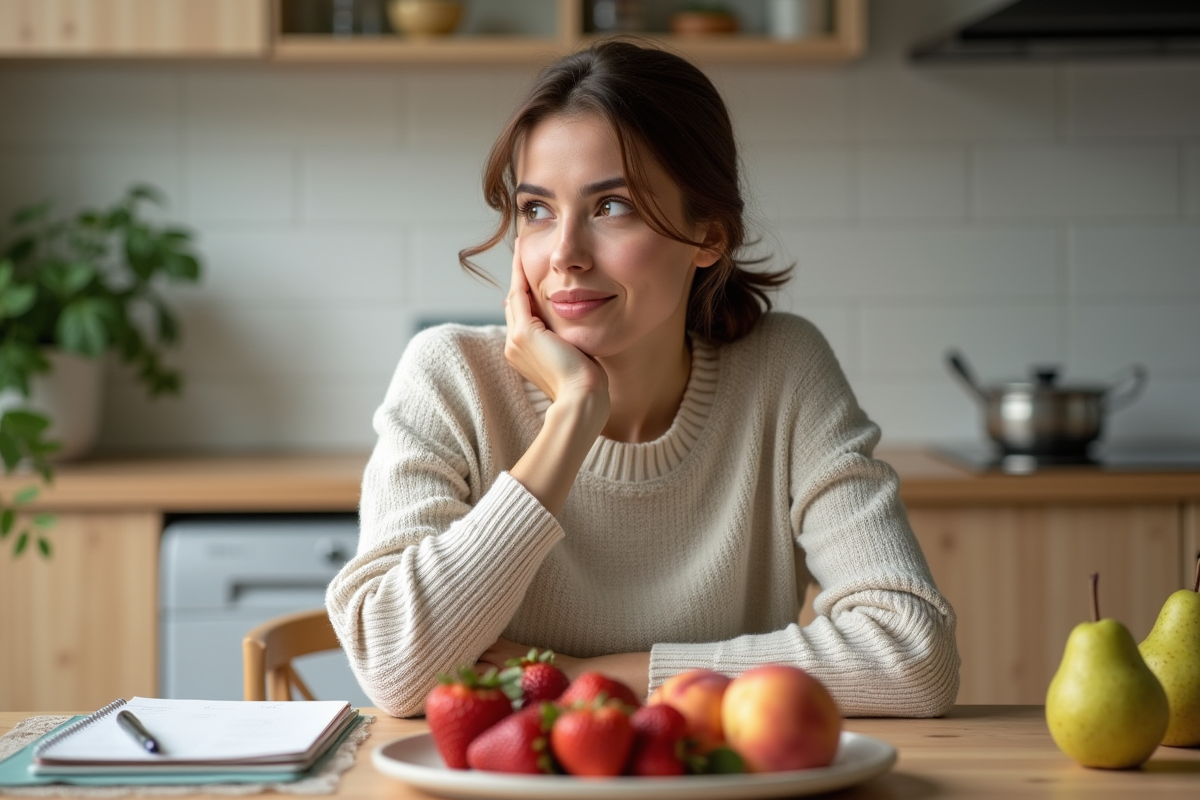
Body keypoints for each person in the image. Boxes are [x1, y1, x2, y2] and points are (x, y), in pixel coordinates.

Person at [326, 39, 959, 719]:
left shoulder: (784, 372)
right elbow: (394, 670)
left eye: (611, 207)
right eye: (537, 210)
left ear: (709, 236)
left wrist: (580, 681)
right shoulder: (449, 376)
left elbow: (913, 656)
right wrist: (572, 418)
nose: (564, 254)